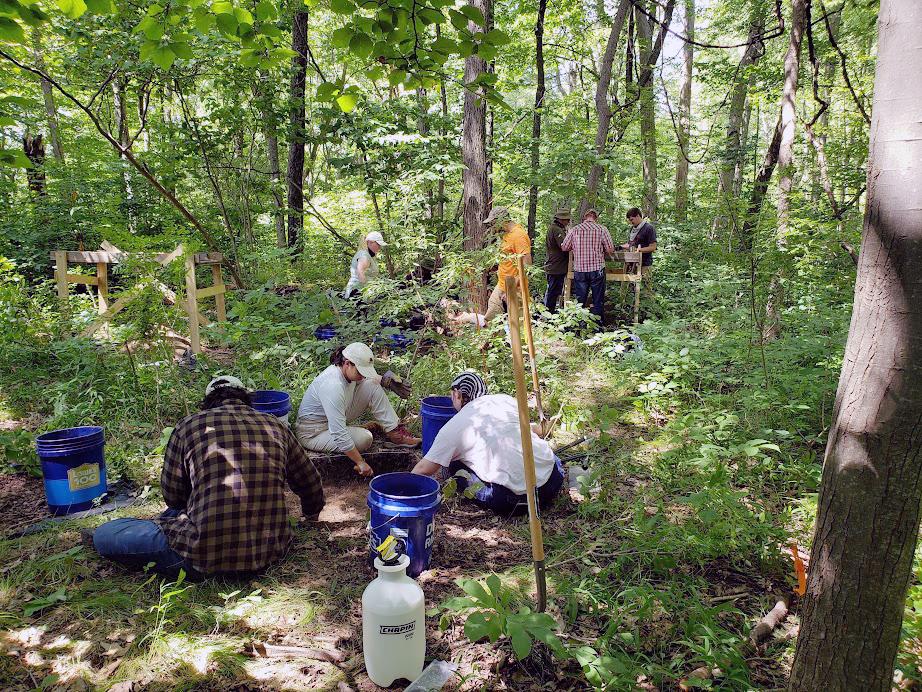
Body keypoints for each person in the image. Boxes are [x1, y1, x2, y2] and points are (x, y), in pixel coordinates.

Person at [87, 376, 325, 580]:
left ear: (207, 403)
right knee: (171, 517)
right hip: (270, 550)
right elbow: (309, 481)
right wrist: (311, 513)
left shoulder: (188, 426)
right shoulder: (276, 426)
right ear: (246, 399)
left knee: (107, 533)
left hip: (201, 556)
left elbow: (173, 497)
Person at [411, 372, 565, 516]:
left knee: (452, 465)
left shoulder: (455, 425)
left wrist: (404, 489)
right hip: (552, 480)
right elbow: (525, 427)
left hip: (513, 500)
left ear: (457, 394)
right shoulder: (505, 400)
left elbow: (424, 469)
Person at [295, 343, 420, 477]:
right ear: (348, 363)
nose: (362, 376)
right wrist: (360, 462)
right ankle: (357, 431)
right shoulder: (332, 385)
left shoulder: (347, 371)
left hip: (333, 418)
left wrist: (386, 382)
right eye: (361, 371)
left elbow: (371, 379)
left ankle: (395, 433)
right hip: (314, 433)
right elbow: (338, 432)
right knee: (365, 439)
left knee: (373, 385)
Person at [561, 208, 615, 325]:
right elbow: (610, 249)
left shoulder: (575, 230)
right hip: (597, 270)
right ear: (596, 218)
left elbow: (564, 247)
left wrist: (575, 247)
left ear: (585, 217)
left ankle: (579, 325)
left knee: (580, 300)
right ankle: (597, 326)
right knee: (598, 300)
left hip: (580, 269)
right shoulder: (602, 229)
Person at [483, 207, 531, 324]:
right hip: (501, 285)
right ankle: (496, 341)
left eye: (494, 223)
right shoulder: (506, 235)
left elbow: (527, 264)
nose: (493, 226)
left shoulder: (519, 236)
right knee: (492, 316)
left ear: (501, 220)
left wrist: (513, 286)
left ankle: (515, 342)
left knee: (518, 325)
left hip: (516, 288)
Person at [623, 207, 657, 306]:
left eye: (631, 219)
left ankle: (648, 310)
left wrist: (640, 250)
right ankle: (630, 306)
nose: (630, 222)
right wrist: (620, 247)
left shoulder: (648, 228)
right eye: (629, 220)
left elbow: (653, 247)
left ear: (638, 216)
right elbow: (631, 244)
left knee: (646, 288)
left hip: (645, 264)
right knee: (632, 287)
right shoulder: (632, 229)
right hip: (632, 263)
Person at [344, 231, 387, 299]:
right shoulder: (364, 256)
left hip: (363, 293)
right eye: (378, 244)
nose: (379, 247)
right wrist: (368, 291)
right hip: (357, 293)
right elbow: (360, 272)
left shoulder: (369, 255)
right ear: (370, 242)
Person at [543, 209, 571, 313]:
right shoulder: (556, 230)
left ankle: (549, 311)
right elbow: (564, 246)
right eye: (566, 219)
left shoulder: (554, 228)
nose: (568, 221)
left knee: (553, 290)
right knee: (553, 291)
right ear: (561, 219)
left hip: (556, 265)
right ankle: (548, 312)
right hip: (556, 266)